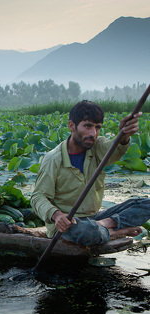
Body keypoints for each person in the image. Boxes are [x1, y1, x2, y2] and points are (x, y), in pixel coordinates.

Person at [30, 100, 150, 246]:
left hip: (94, 218)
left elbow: (115, 149)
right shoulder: (53, 159)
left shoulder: (97, 147)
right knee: (86, 231)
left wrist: (123, 135)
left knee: (146, 204)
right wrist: (56, 215)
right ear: (71, 126)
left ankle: (105, 224)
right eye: (87, 126)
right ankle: (114, 231)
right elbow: (38, 196)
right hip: (68, 225)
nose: (93, 133)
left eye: (97, 127)